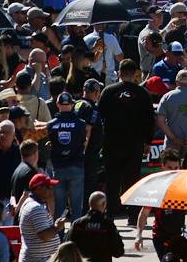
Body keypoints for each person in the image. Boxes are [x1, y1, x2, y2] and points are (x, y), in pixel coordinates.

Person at [98, 59, 154, 216]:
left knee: (112, 179)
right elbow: (150, 119)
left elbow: (98, 116)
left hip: (112, 142)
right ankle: (133, 214)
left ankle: (111, 213)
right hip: (134, 143)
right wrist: (148, 141)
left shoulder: (108, 92)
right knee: (132, 179)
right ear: (135, 74)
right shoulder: (142, 93)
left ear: (119, 73)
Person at [133, 151, 183, 258]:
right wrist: (138, 235)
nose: (173, 171)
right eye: (170, 167)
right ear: (163, 166)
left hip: (180, 235)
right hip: (161, 236)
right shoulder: (155, 188)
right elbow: (144, 214)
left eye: (176, 168)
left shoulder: (184, 186)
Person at [48, 92, 90, 220]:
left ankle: (59, 237)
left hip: (58, 168)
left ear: (57, 104)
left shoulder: (51, 125)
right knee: (76, 207)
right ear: (72, 105)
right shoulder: (81, 124)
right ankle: (75, 237)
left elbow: (52, 142)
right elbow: (84, 141)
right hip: (76, 167)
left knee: (59, 207)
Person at [18, 173, 64, 262]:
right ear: (38, 188)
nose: (52, 190)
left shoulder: (37, 205)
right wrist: (57, 227)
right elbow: (45, 236)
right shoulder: (35, 208)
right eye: (49, 187)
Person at [69, 191, 124, 262]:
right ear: (104, 204)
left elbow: (67, 246)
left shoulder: (78, 224)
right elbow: (118, 252)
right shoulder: (108, 225)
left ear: (89, 204)